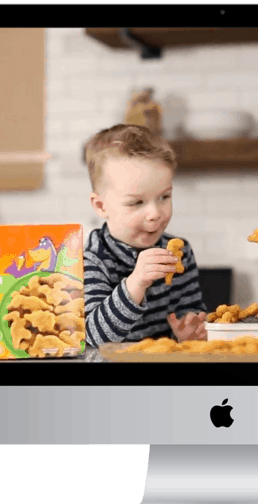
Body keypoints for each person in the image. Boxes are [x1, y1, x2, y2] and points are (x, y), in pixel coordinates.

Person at [83, 124, 208, 347]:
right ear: (101, 206)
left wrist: (190, 332)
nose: (155, 213)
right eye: (136, 202)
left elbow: (191, 315)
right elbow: (93, 337)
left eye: (164, 197)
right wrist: (136, 283)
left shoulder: (181, 253)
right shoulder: (91, 260)